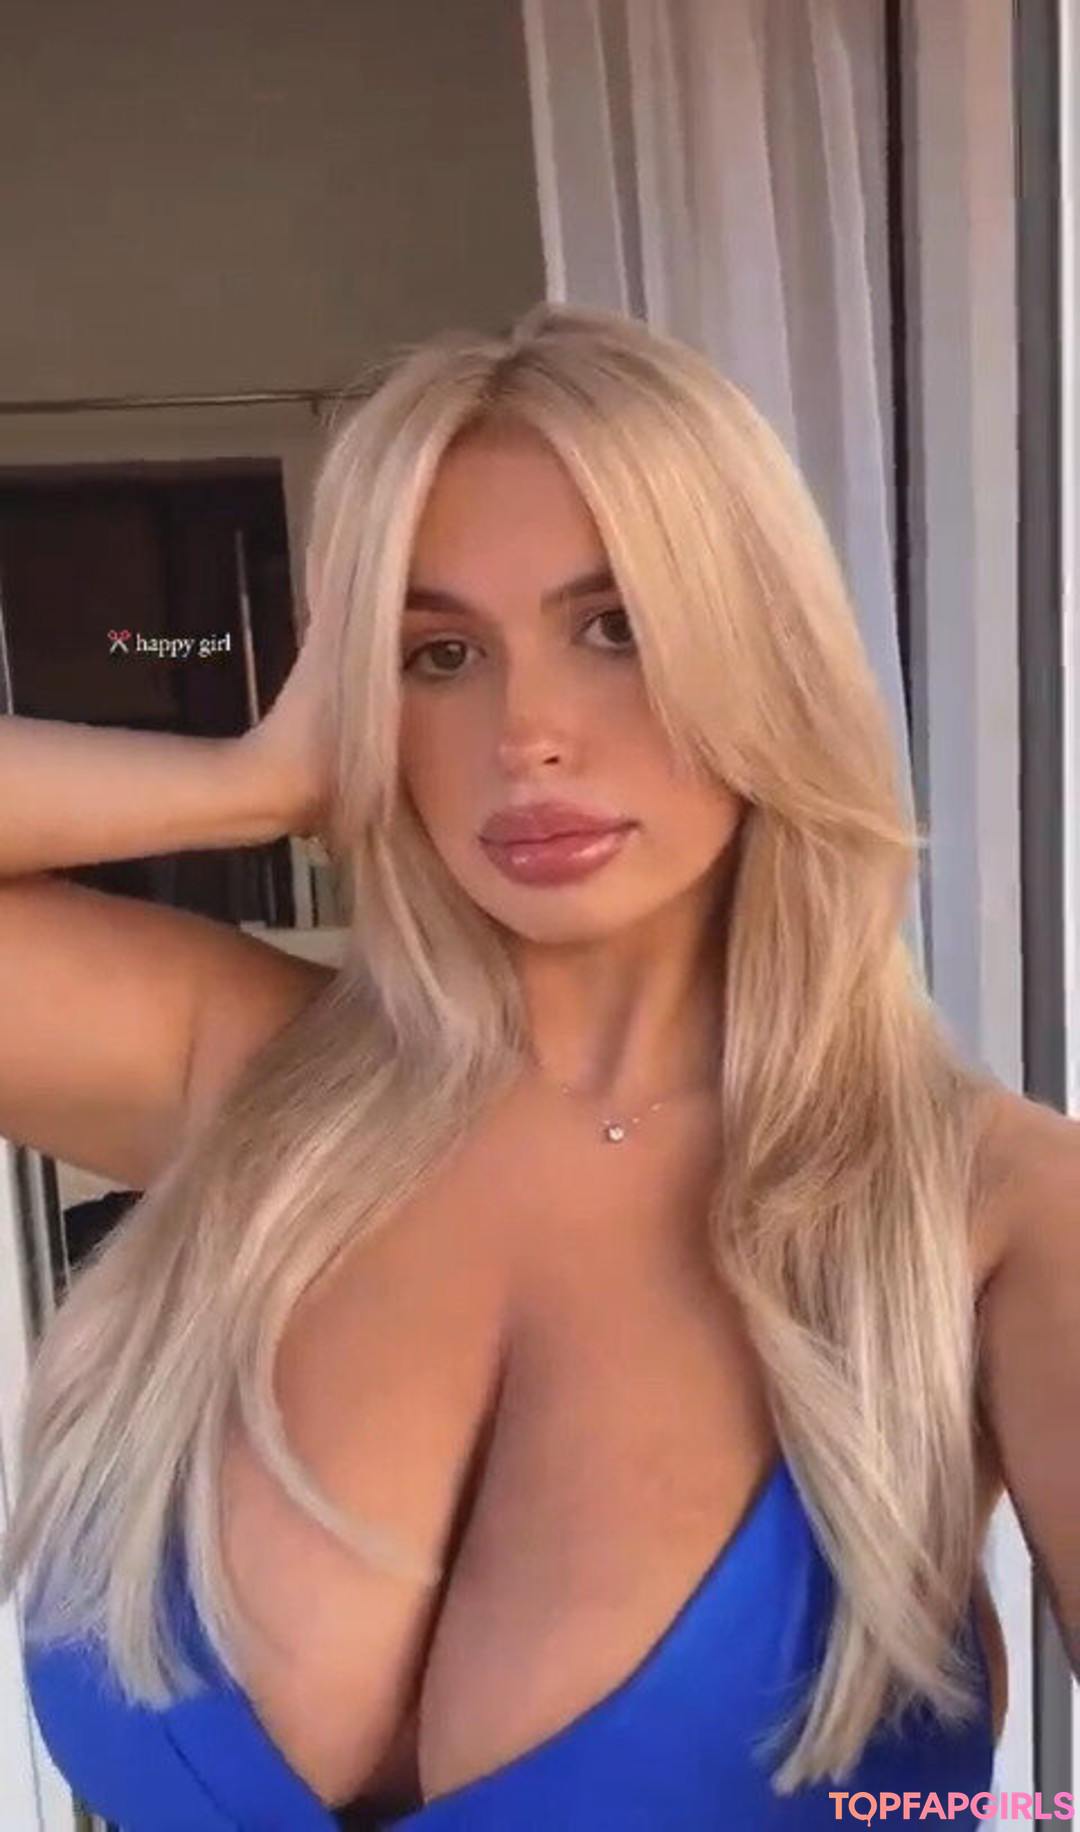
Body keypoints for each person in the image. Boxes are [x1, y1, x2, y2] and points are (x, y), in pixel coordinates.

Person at [0, 303, 1075, 1831]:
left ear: (764, 655)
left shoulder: (997, 1216)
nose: (529, 737)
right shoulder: (248, 1076)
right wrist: (256, 777)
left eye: (616, 626)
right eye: (440, 654)